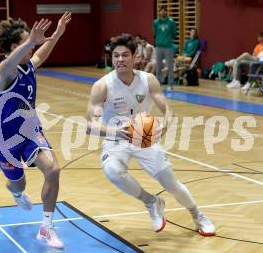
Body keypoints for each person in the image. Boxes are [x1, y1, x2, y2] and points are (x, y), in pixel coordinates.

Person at [85, 34, 215, 236]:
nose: (120, 59)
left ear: (135, 57)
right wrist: (117, 132)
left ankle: (197, 214)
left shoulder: (148, 80)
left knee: (171, 183)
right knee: (112, 171)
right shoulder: (102, 86)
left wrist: (166, 124)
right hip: (116, 138)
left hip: (144, 136)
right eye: (116, 56)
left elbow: (168, 110)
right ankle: (151, 201)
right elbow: (90, 126)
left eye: (125, 55)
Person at [0, 12, 72, 249]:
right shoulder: (4, 72)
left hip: (30, 131)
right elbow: (9, 63)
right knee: (18, 185)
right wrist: (31, 41)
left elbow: (40, 54)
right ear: (15, 46)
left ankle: (46, 228)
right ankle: (15, 191)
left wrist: (57, 34)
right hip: (4, 141)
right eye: (28, 41)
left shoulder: (27, 66)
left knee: (53, 170)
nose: (34, 45)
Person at [153, 6, 178, 91]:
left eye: (164, 11)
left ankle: (170, 85)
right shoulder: (156, 22)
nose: (162, 12)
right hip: (159, 47)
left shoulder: (171, 22)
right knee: (158, 67)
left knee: (170, 67)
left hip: (168, 47)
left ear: (166, 12)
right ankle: (158, 85)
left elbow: (174, 33)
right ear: (159, 12)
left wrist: (167, 40)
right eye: (161, 11)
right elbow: (155, 33)